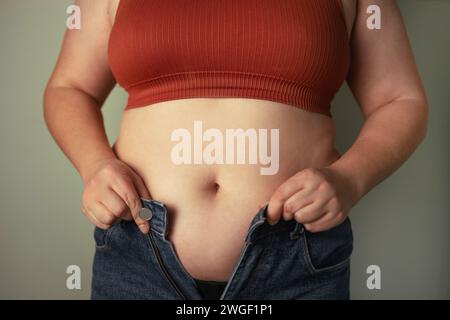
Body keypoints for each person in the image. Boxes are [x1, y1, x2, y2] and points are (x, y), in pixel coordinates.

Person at [43, 0, 428, 300]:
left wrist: (349, 179)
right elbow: (69, 87)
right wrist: (95, 166)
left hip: (296, 262)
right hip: (138, 257)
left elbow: (401, 100)